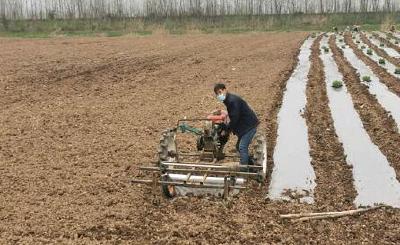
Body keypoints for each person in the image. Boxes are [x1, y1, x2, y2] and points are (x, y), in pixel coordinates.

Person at [213, 83, 259, 166]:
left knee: (242, 147)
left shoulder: (232, 101)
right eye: (217, 94)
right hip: (244, 125)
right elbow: (233, 115)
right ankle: (250, 164)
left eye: (220, 92)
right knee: (238, 147)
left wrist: (226, 129)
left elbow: (234, 118)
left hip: (249, 126)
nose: (219, 95)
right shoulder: (228, 100)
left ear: (225, 89)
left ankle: (244, 169)